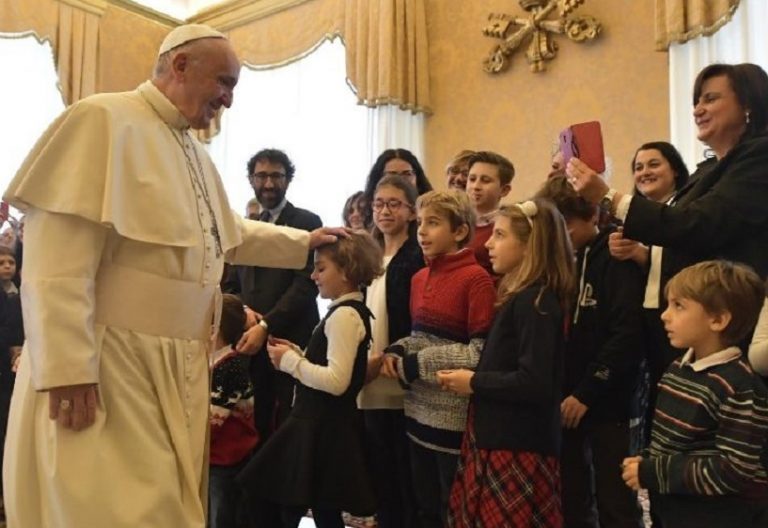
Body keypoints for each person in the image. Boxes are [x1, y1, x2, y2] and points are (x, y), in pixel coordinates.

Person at [1, 24, 344, 528]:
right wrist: (67, 365)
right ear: (181, 65)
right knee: (110, 508)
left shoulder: (194, 153)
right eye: (224, 82)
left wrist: (302, 242)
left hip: (174, 363)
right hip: (109, 358)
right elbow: (57, 256)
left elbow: (222, 231)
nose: (228, 99)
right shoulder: (101, 119)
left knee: (167, 506)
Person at [439, 199, 574, 528]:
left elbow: (534, 381)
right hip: (499, 436)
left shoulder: (536, 302)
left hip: (516, 443)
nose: (487, 243)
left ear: (529, 246)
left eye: (500, 235)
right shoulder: (522, 297)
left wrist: (473, 382)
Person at [570, 63, 768, 287]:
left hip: (734, 300)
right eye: (696, 103)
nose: (697, 111)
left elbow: (696, 225)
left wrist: (608, 197)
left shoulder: (761, 156)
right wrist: (643, 255)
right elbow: (684, 243)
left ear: (747, 104)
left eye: (710, 99)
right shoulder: (706, 169)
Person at [237, 231, 383, 528]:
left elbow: (337, 381)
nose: (313, 276)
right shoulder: (342, 312)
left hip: (322, 426)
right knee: (319, 509)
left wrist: (291, 363)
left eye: (321, 268)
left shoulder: (344, 316)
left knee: (289, 503)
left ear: (346, 271)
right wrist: (299, 353)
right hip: (320, 425)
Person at [622, 260, 768, 528]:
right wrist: (648, 459)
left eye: (679, 306)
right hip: (673, 511)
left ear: (718, 320)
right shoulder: (678, 368)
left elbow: (734, 470)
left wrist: (654, 471)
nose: (665, 315)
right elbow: (671, 441)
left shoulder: (739, 387)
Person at [381, 190, 496, 528]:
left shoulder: (476, 279)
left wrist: (416, 364)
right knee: (425, 507)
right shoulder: (419, 278)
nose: (422, 231)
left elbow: (478, 353)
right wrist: (398, 349)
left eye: (433, 223)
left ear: (459, 231)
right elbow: (420, 337)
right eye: (420, 222)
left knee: (454, 508)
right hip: (416, 413)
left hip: (453, 419)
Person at [537, 176, 645, 528]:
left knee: (616, 500)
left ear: (593, 216)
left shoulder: (615, 255)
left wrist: (587, 392)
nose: (560, 234)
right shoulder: (558, 260)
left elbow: (627, 335)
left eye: (566, 224)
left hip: (609, 399)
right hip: (566, 396)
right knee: (572, 495)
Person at [224, 148, 322, 440]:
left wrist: (266, 326)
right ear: (251, 179)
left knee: (288, 429)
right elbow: (232, 284)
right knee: (254, 425)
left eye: (276, 176)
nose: (268, 183)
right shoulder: (247, 227)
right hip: (248, 342)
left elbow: (306, 285)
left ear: (288, 179)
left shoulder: (307, 223)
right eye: (261, 176)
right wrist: (244, 314)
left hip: (290, 341)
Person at [608, 141, 691, 450]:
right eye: (638, 167)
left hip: (682, 324)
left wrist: (644, 254)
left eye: (654, 164)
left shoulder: (684, 212)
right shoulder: (632, 222)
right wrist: (635, 255)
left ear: (676, 170)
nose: (644, 172)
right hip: (647, 322)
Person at [359, 174, 423, 528]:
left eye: (394, 204)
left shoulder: (417, 256)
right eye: (379, 204)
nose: (385, 211)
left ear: (412, 212)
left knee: (405, 473)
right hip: (368, 374)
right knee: (379, 469)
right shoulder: (367, 254)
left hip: (401, 373)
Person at [209, 294, 258, 528]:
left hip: (226, 458)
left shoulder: (229, 366)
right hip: (214, 456)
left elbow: (213, 422)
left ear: (214, 328)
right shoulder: (213, 362)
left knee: (221, 516)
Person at [465, 151, 514, 276]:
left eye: (485, 181)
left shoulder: (509, 228)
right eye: (472, 179)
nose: (476, 186)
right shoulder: (455, 222)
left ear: (504, 190)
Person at [362, 149, 432, 228]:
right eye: (392, 175)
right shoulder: (368, 220)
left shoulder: (433, 214)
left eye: (407, 174)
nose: (400, 180)